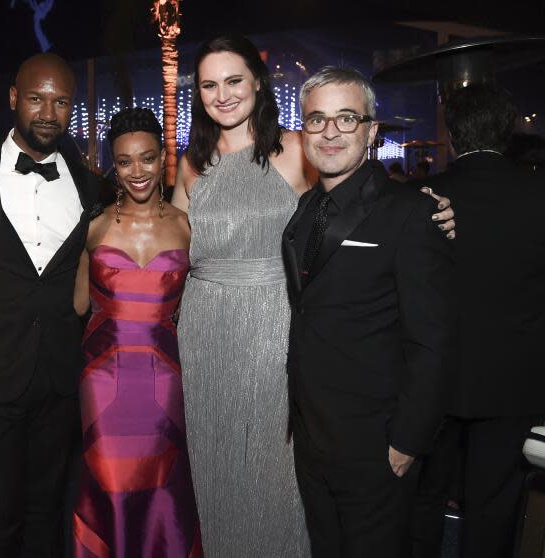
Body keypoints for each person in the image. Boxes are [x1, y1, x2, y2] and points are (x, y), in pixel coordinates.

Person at [171, 35, 456, 557]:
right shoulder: (191, 163)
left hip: (274, 335)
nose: (223, 94)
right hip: (205, 337)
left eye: (234, 80)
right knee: (215, 465)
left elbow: (362, 200)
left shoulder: (298, 149)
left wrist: (436, 205)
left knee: (276, 477)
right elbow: (172, 246)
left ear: (258, 81)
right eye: (210, 85)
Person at [283, 66, 453, 558]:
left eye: (346, 118)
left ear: (371, 131)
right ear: (303, 131)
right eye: (317, 120)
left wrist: (408, 440)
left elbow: (433, 339)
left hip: (377, 446)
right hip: (313, 440)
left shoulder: (411, 212)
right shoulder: (305, 210)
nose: (330, 131)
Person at [0, 53, 99, 557]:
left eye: (61, 101)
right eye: (35, 98)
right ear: (13, 98)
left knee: (47, 512)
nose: (48, 111)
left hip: (58, 378)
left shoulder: (92, 186)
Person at [414, 84, 545, 558]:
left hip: (435, 377)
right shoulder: (538, 193)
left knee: (424, 501)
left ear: (452, 134)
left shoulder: (422, 197)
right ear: (507, 131)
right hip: (514, 379)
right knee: (493, 508)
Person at [71, 107, 201, 557]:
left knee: (163, 485)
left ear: (163, 155)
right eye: (125, 162)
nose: (137, 172)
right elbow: (76, 306)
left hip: (166, 378)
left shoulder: (187, 227)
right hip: (103, 379)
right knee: (108, 483)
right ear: (113, 165)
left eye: (147, 158)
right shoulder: (93, 227)